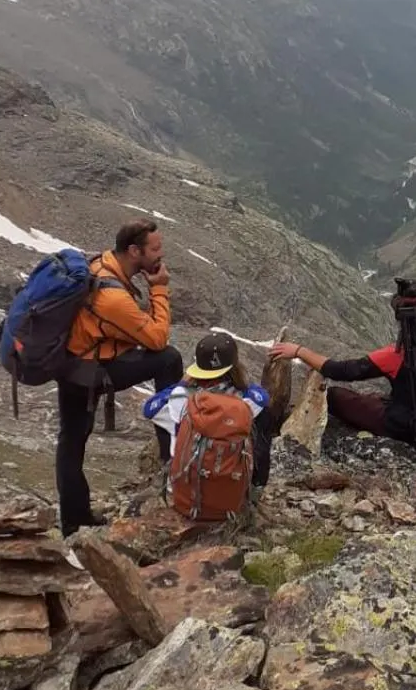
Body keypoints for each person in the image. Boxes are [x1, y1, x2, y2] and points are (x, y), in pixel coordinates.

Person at [56, 220, 183, 535]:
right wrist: (159, 288)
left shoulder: (102, 264)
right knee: (168, 359)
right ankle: (173, 457)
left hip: (73, 366)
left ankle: (74, 521)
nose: (160, 254)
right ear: (134, 250)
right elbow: (156, 339)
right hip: (92, 372)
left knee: (71, 441)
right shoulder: (112, 296)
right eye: (154, 249)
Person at [268, 282, 416, 453]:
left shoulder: (397, 355)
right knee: (378, 397)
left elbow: (342, 371)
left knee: (334, 395)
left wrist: (298, 350)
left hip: (403, 429)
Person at [141, 328, 273, 487]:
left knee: (170, 426)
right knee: (263, 419)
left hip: (184, 492)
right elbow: (262, 396)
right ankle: (256, 485)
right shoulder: (246, 400)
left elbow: (149, 408)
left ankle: (169, 465)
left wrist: (182, 383)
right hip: (230, 492)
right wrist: (241, 382)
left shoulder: (180, 396)